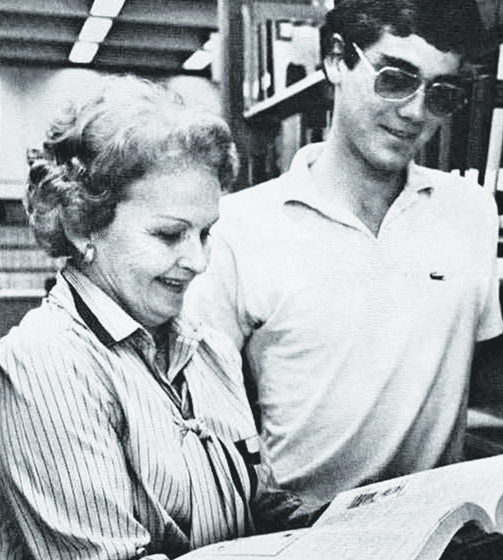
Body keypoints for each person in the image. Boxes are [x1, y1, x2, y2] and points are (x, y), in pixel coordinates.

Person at [184, 0, 503, 505]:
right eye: (396, 79)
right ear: (336, 60)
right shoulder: (237, 228)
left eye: (441, 94)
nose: (416, 113)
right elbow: (205, 415)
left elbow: (484, 372)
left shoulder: (472, 213)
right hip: (297, 539)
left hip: (439, 535)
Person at [0, 75, 317, 560]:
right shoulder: (42, 363)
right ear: (85, 224)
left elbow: (254, 503)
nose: (199, 261)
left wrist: (335, 523)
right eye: (170, 235)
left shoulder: (209, 349)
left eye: (205, 233)